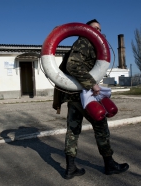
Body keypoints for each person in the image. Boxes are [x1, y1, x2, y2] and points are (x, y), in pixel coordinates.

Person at [55, 19, 129, 179]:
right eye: (95, 28)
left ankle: (70, 168)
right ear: (86, 29)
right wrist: (93, 84)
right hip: (85, 95)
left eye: (100, 29)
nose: (98, 31)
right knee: (101, 126)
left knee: (73, 131)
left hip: (74, 96)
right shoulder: (85, 41)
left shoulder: (85, 43)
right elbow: (72, 66)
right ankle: (109, 164)